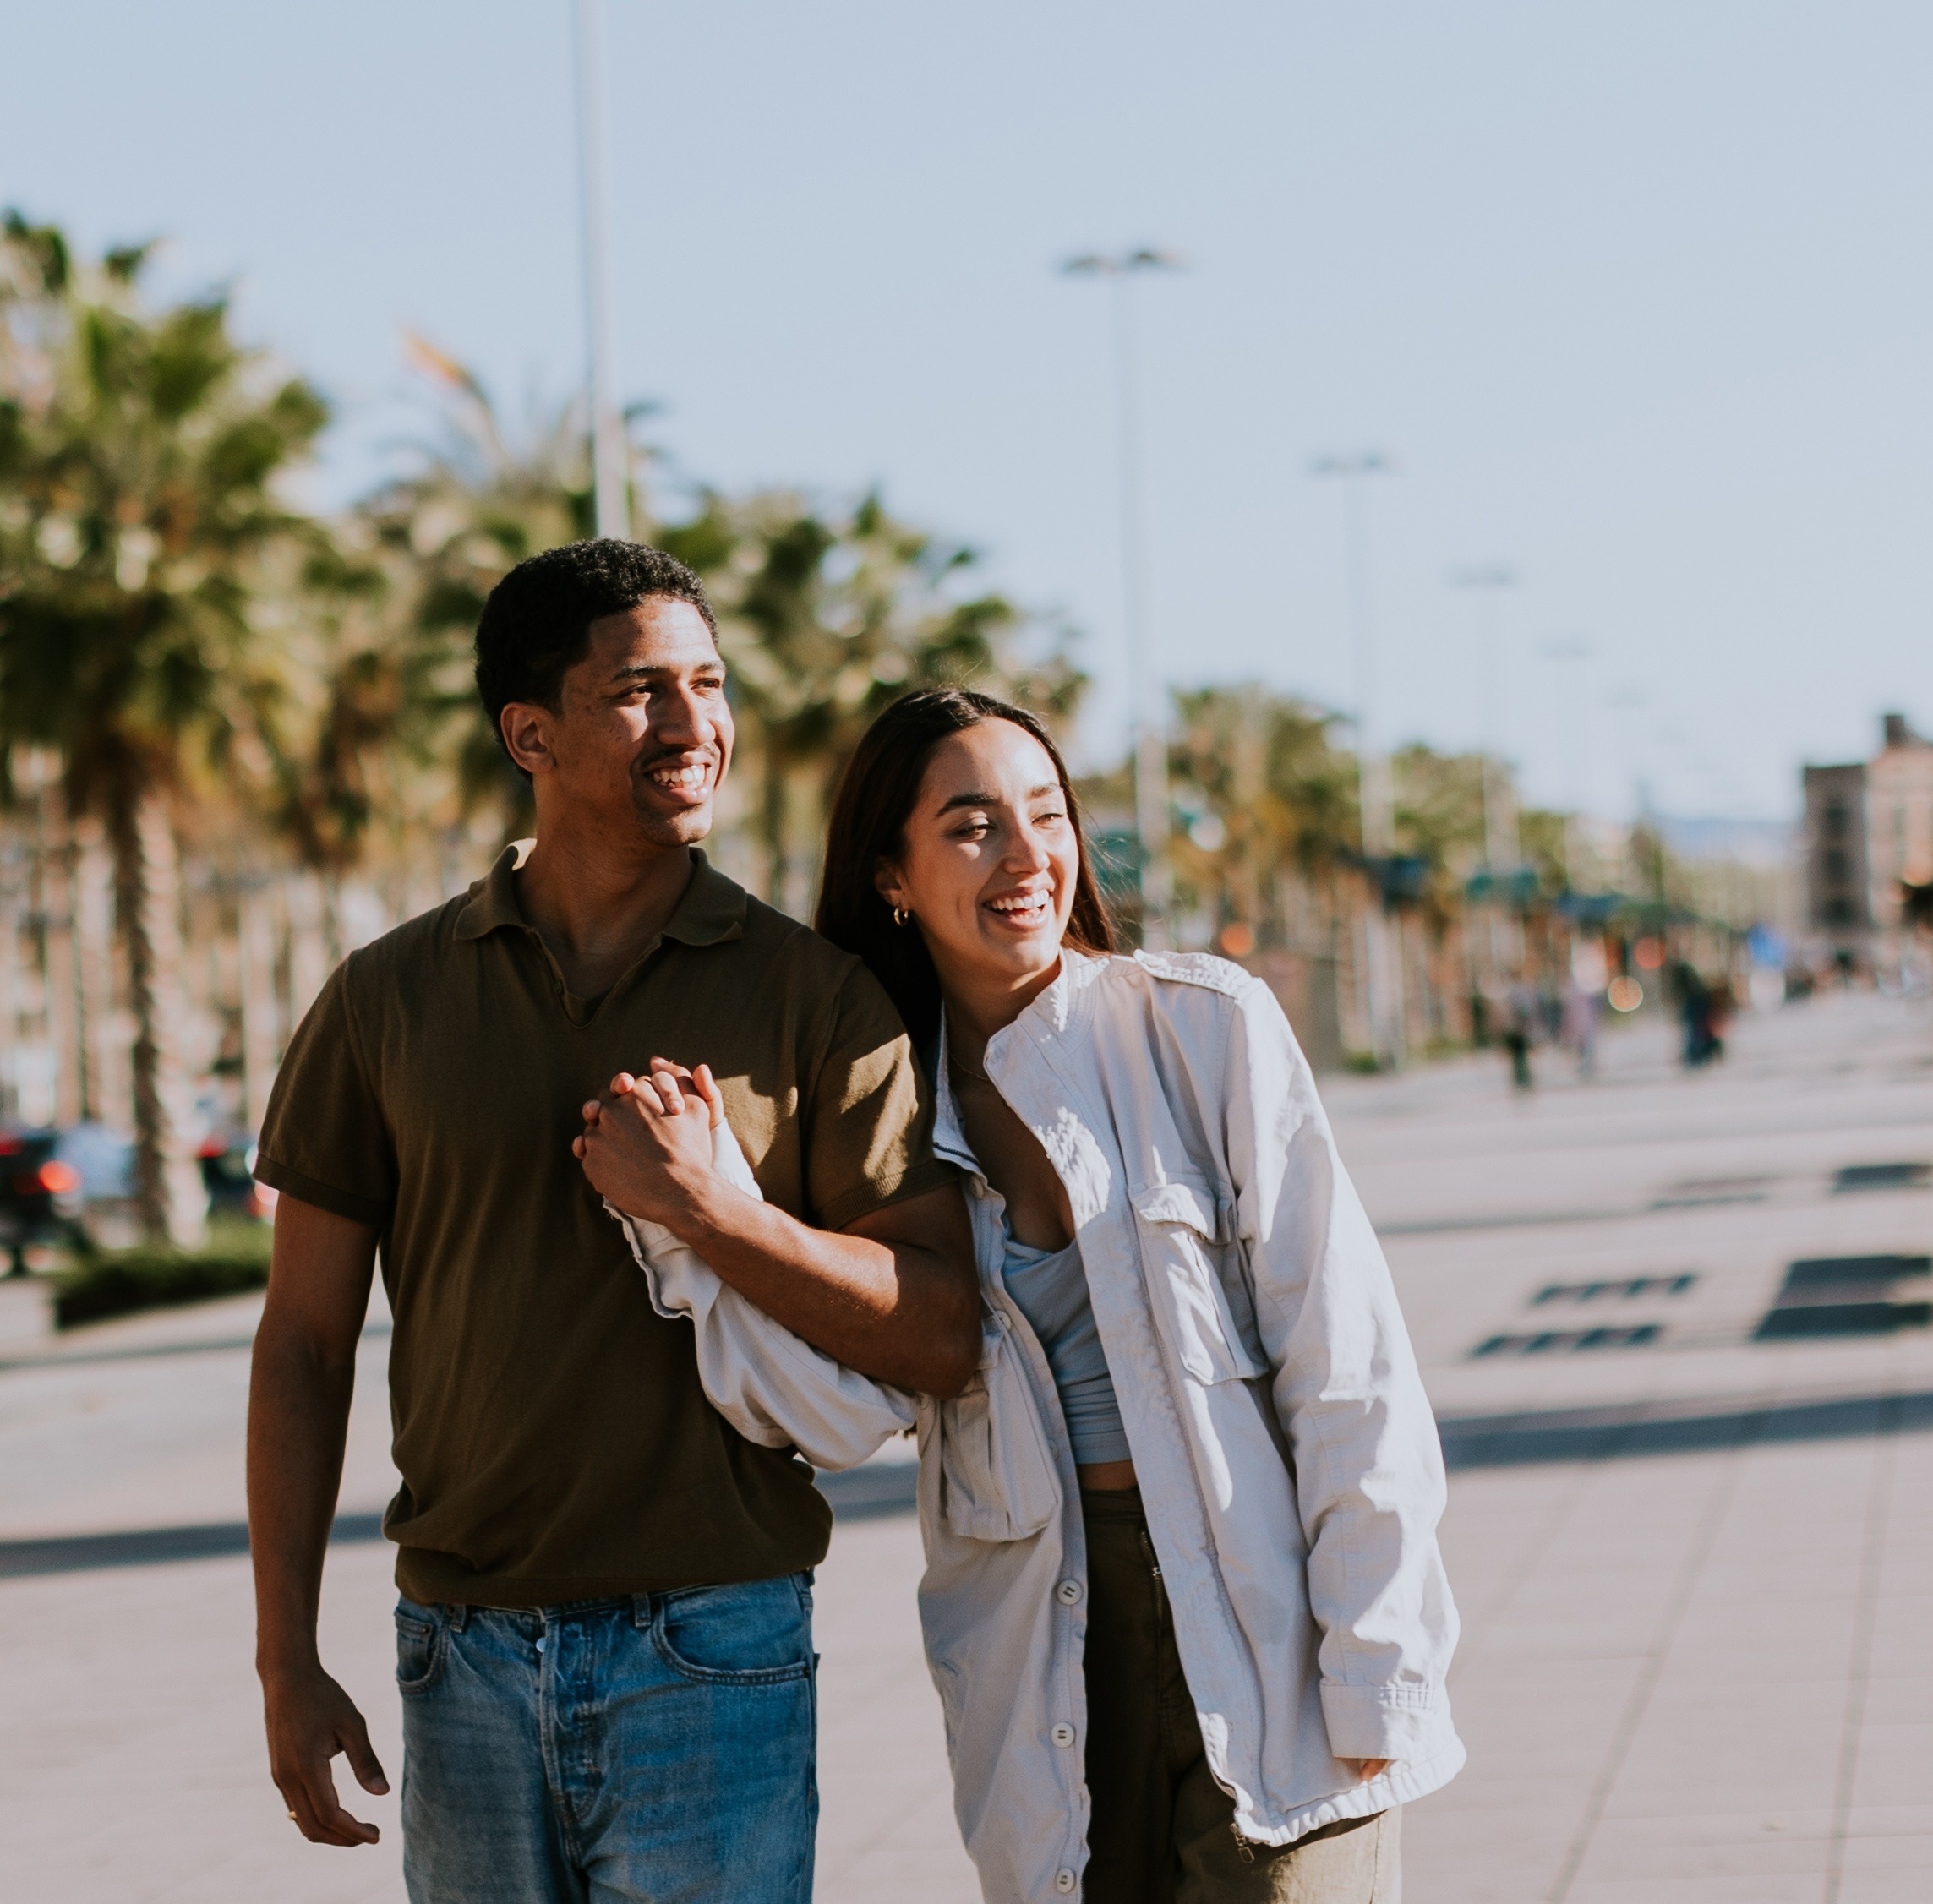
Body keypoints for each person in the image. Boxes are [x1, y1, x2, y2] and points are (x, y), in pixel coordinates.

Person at [602, 689, 1462, 1902]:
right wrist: (697, 1223)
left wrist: (1378, 1662)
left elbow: (1350, 1365)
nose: (1028, 856)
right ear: (891, 875)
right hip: (1045, 1639)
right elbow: (836, 1413)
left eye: (1046, 814)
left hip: (1259, 1616)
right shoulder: (877, 1123)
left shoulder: (1201, 1029)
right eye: (971, 826)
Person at [244, 541, 977, 1901]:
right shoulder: (384, 998)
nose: (697, 725)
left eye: (710, 683)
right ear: (531, 731)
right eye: (642, 690)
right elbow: (300, 1341)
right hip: (457, 1650)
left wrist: (713, 1211)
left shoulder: (813, 999)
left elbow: (940, 1330)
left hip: (718, 1644)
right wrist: (286, 1657)